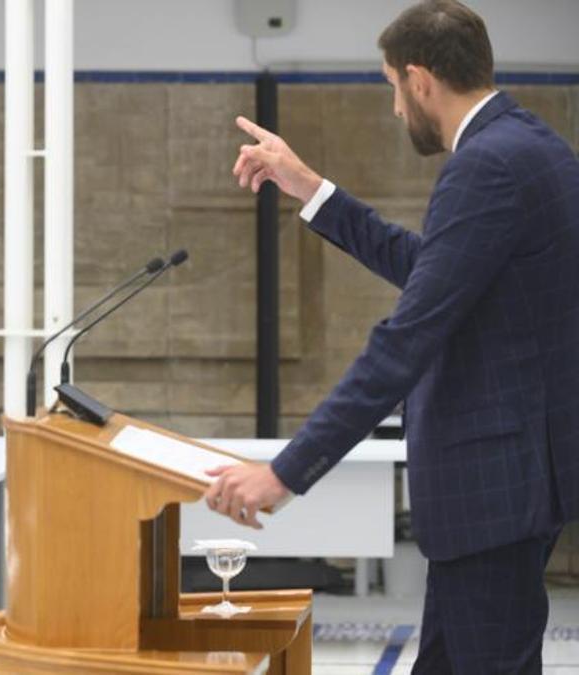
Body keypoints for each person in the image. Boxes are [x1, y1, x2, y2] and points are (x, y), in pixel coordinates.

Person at [207, 2, 579, 672]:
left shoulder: (485, 166)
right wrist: (312, 188)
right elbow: (431, 272)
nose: (395, 107)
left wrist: (285, 472)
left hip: (491, 493)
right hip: (508, 488)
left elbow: (406, 338)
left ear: (420, 78)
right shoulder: (531, 145)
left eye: (390, 87)